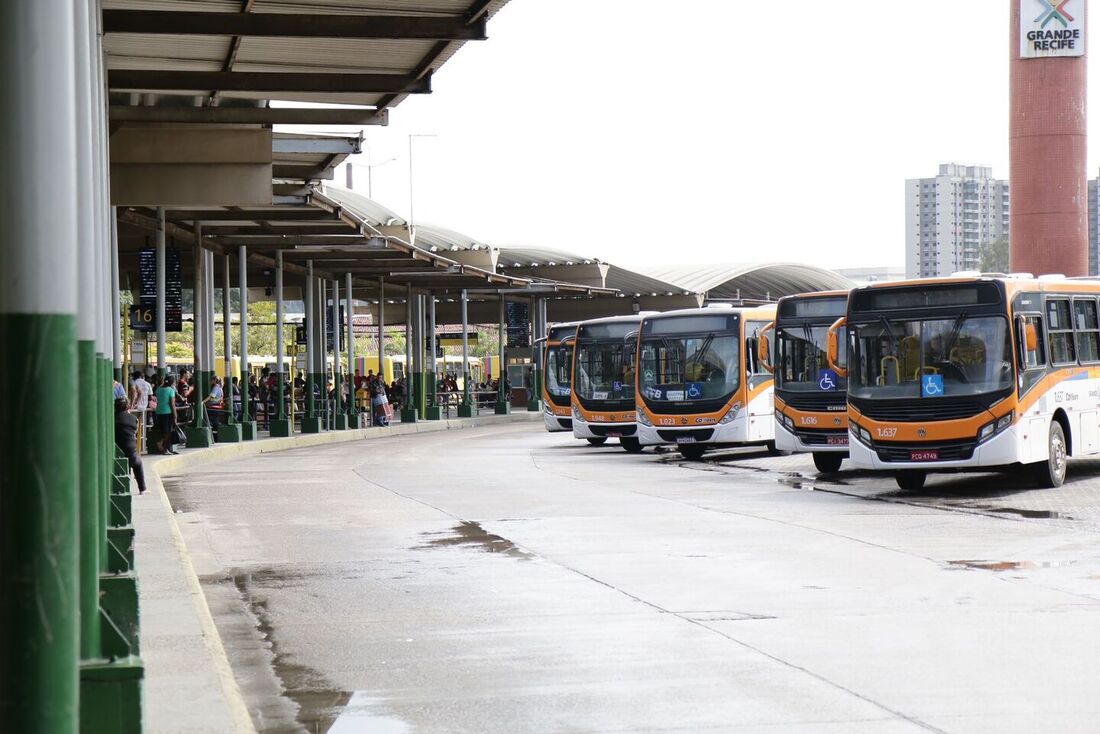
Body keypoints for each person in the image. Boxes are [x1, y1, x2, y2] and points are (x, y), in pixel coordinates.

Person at [114, 398, 147, 494]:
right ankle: (142, 489)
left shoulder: (113, 418)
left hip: (116, 451)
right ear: (128, 406)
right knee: (138, 463)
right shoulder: (133, 418)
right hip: (130, 451)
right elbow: (135, 431)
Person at [154, 375, 179, 455]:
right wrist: (175, 415)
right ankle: (162, 446)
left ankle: (166, 448)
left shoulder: (158, 389)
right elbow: (172, 404)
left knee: (163, 430)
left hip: (159, 412)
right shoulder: (171, 390)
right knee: (168, 431)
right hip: (168, 412)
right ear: (172, 382)